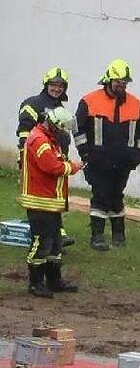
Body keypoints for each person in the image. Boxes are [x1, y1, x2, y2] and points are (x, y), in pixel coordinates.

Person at [74, 59, 140, 251]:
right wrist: (86, 154)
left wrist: (137, 157)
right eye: (118, 82)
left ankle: (119, 235)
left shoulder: (135, 104)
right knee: (100, 196)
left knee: (117, 196)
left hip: (123, 162)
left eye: (124, 83)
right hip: (97, 161)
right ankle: (97, 236)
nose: (121, 86)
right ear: (108, 80)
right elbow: (78, 130)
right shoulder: (89, 101)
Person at [19, 107, 85, 297]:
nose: (64, 131)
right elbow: (51, 166)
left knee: (55, 243)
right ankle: (36, 283)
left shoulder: (47, 138)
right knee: (41, 242)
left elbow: (54, 161)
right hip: (40, 201)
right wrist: (72, 166)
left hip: (49, 201)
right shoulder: (40, 140)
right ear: (55, 125)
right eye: (62, 128)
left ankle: (54, 280)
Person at [17, 67, 75, 247]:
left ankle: (58, 233)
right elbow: (25, 133)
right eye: (53, 84)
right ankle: (45, 238)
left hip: (56, 159)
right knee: (42, 198)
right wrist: (24, 158)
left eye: (60, 86)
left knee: (56, 196)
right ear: (46, 84)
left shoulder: (59, 108)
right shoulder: (33, 104)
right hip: (39, 161)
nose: (57, 88)